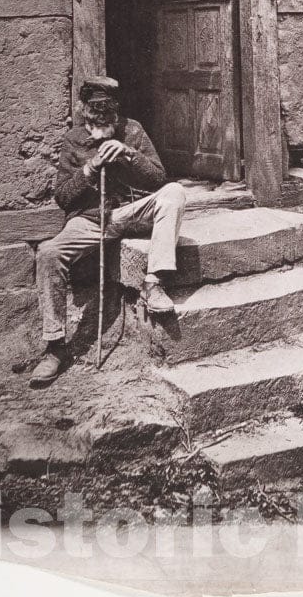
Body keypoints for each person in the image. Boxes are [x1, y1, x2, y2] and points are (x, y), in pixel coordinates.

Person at [30, 76, 186, 386]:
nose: (100, 118)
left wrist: (129, 153)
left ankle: (153, 283)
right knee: (48, 252)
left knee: (175, 192)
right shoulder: (73, 140)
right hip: (90, 220)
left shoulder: (133, 130)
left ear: (116, 112)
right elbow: (62, 198)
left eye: (107, 111)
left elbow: (158, 177)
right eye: (93, 111)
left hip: (132, 212)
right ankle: (55, 346)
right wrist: (90, 168)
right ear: (83, 111)